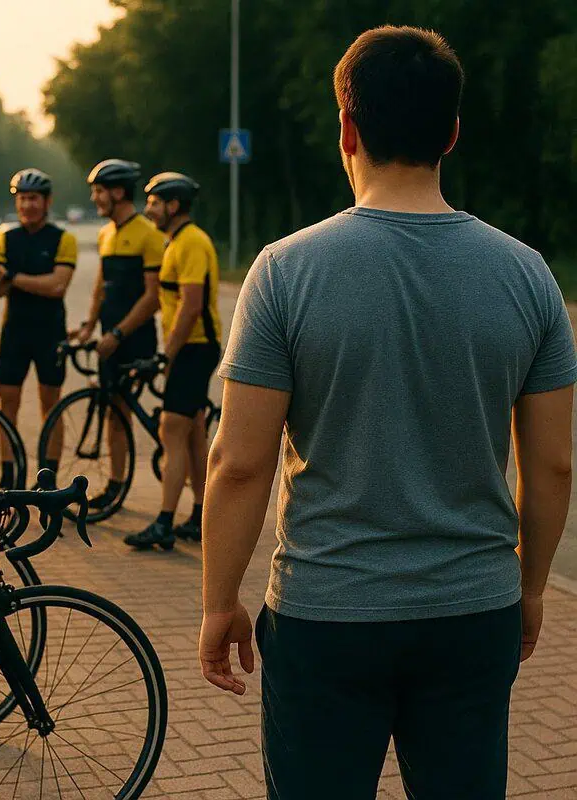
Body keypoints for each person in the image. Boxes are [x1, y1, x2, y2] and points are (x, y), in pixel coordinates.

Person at [199, 25, 576, 800]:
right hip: (473, 612)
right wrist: (531, 588)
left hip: (326, 614)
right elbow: (553, 465)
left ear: (348, 128)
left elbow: (238, 463)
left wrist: (218, 601)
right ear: (452, 132)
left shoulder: (284, 271)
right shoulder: (528, 275)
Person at [125, 173, 221, 550]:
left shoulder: (191, 242)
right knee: (193, 434)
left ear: (173, 205)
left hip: (194, 349)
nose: (148, 209)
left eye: (154, 203)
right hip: (189, 349)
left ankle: (164, 522)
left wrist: (167, 354)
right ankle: (201, 516)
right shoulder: (176, 241)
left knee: (171, 431)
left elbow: (191, 305)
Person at [73, 159, 164, 509]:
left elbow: (153, 297)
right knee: (114, 409)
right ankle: (115, 485)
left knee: (126, 410)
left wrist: (119, 333)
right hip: (110, 336)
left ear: (118, 192)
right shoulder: (105, 233)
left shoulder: (148, 234)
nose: (94, 198)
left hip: (135, 338)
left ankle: (169, 465)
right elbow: (101, 286)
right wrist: (89, 325)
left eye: (99, 191)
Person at [0, 168, 78, 489]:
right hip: (14, 331)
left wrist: (12, 277)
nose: (28, 205)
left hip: (50, 331)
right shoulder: (6, 237)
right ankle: (9, 475)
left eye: (34, 198)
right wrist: (1, 280)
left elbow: (57, 286)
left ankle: (47, 478)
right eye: (22, 199)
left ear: (47, 201)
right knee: (7, 402)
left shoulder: (63, 239)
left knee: (51, 404)